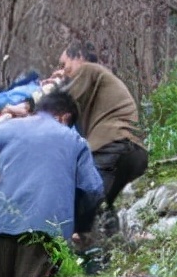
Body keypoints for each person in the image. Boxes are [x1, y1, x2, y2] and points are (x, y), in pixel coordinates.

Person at [0, 91, 104, 277]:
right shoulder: (74, 141)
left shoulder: (7, 130)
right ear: (64, 118)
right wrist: (77, 224)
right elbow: (93, 190)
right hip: (44, 229)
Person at [52, 42, 148, 237]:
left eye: (64, 65)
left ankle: (81, 240)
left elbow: (57, 102)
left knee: (83, 202)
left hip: (112, 147)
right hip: (134, 152)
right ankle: (108, 253)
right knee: (108, 210)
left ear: (78, 57)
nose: (61, 70)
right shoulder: (97, 87)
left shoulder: (88, 69)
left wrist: (49, 89)